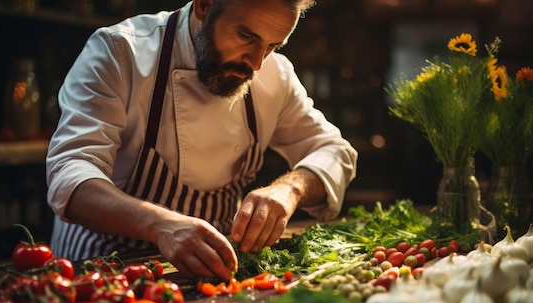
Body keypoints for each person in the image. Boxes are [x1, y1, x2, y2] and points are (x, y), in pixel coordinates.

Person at [46, 0, 358, 281]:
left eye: (273, 45)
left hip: (210, 275)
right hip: (103, 275)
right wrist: (161, 225)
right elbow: (70, 173)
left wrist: (290, 189)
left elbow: (334, 151)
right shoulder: (120, 52)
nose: (256, 62)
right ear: (204, 6)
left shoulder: (276, 75)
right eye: (246, 36)